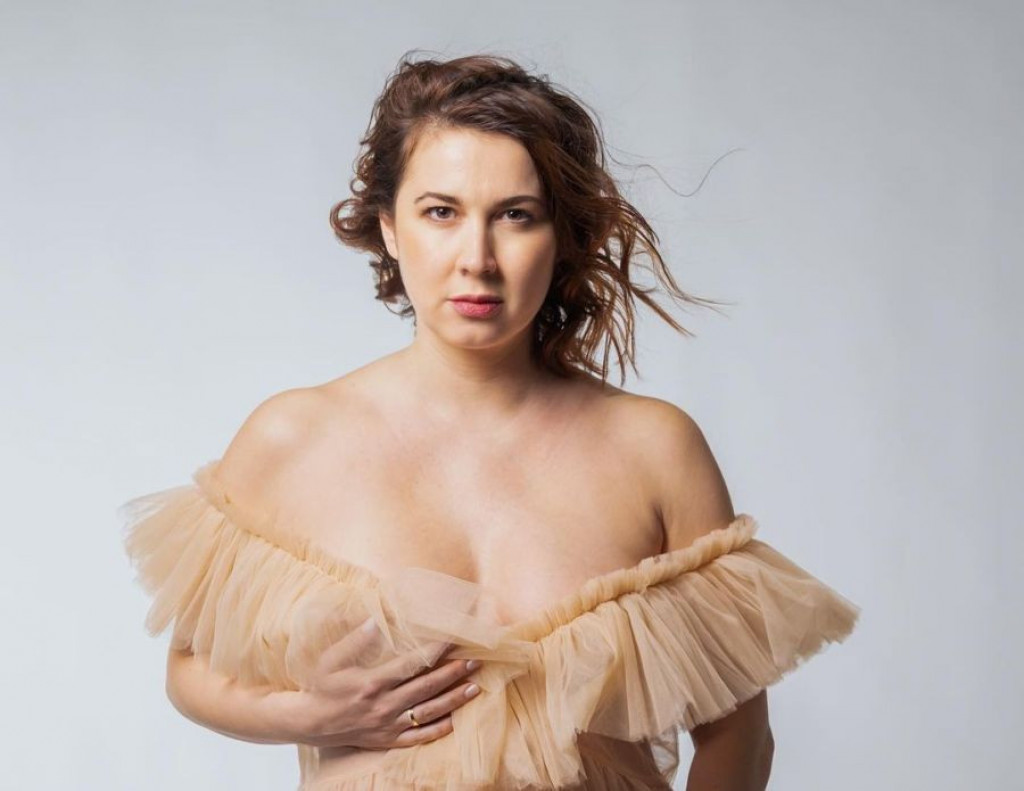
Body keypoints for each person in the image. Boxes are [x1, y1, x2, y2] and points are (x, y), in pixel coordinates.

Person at [120, 52, 860, 791]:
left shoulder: (655, 448)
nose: (477, 259)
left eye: (515, 216)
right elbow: (190, 670)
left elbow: (739, 735)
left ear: (562, 235)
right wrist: (309, 715)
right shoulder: (294, 436)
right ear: (389, 228)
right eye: (441, 212)